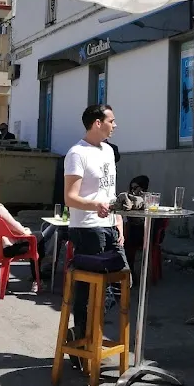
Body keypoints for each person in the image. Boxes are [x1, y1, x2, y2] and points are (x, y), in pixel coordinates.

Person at [63, 104, 128, 347]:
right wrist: (95, 206)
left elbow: (108, 192)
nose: (115, 125)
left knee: (120, 284)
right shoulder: (77, 153)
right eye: (111, 120)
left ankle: (87, 337)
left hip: (110, 226)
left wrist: (118, 218)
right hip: (88, 229)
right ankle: (83, 340)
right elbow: (70, 197)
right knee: (89, 292)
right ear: (97, 123)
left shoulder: (109, 151)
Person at [0, 183, 57, 291]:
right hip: (8, 250)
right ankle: (37, 278)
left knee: (36, 239)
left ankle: (36, 276)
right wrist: (25, 231)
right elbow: (17, 227)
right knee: (37, 237)